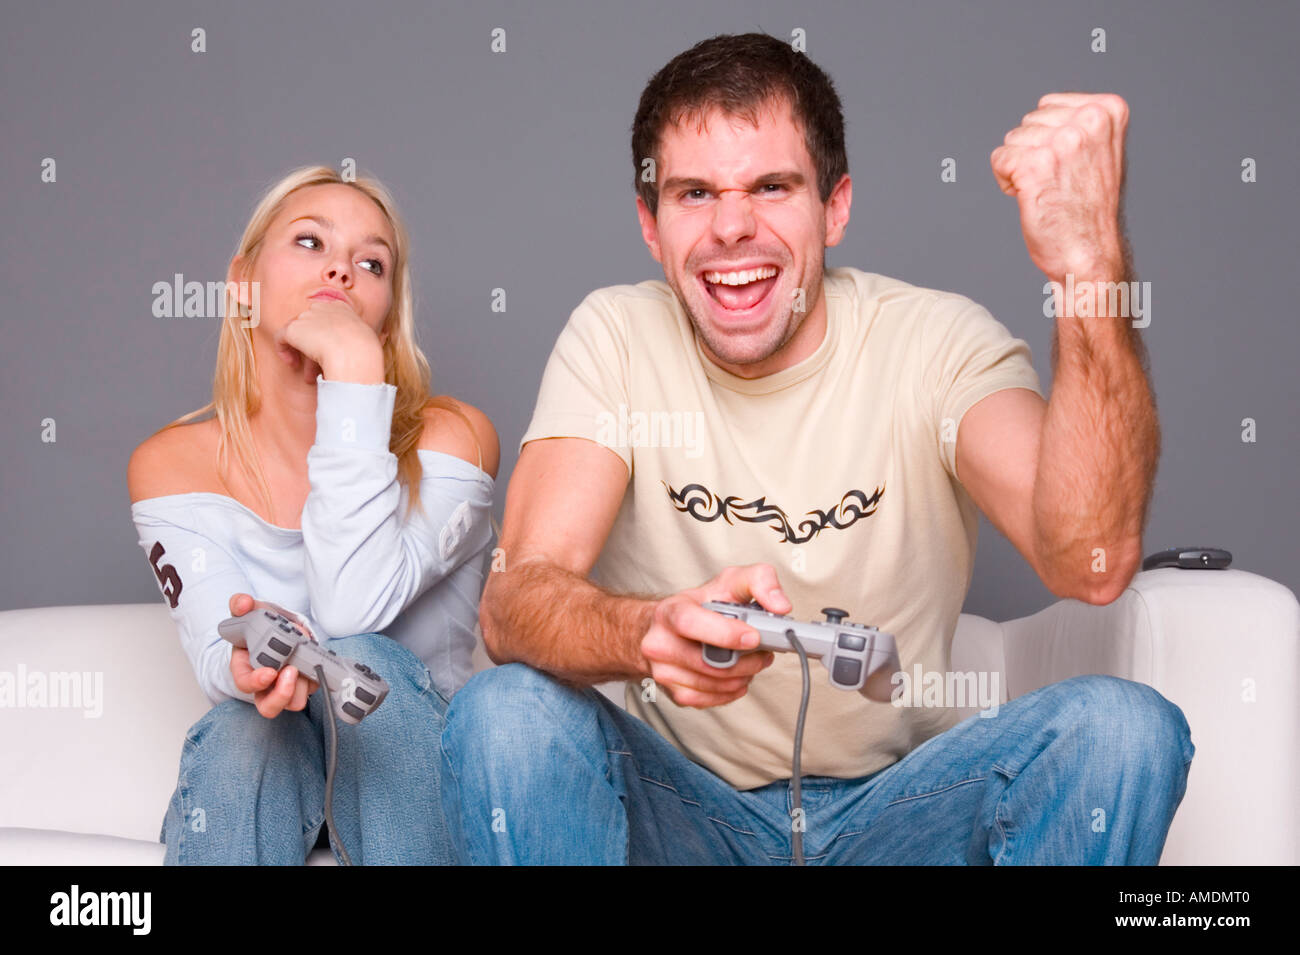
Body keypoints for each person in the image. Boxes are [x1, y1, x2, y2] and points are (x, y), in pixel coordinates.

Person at [440, 33, 1193, 865]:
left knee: (1121, 730)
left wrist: (1089, 267)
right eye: (695, 193)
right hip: (685, 811)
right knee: (505, 712)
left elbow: (1089, 561)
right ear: (651, 223)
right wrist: (646, 630)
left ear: (834, 206)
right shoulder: (616, 336)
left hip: (902, 813)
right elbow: (514, 603)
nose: (732, 228)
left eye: (771, 186)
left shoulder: (935, 343)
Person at [128, 165, 499, 865]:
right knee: (245, 728)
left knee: (364, 661)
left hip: (413, 785)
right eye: (309, 242)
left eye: (371, 262)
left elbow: (352, 607)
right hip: (270, 767)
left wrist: (356, 375)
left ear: (389, 307)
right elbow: (216, 647)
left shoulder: (458, 438)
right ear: (243, 283)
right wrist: (246, 667)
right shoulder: (169, 465)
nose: (340, 270)